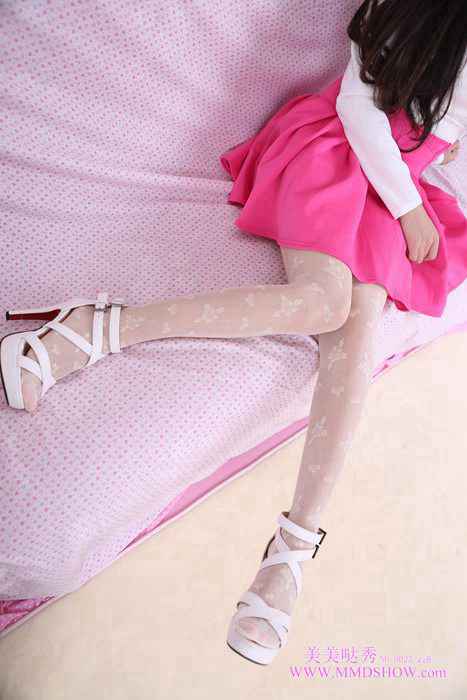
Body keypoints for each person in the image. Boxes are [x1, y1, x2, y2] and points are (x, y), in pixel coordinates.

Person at [0, 0, 466, 666]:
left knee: (358, 332)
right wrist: (411, 208)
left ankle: (291, 550)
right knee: (322, 304)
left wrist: (421, 183)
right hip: (339, 149)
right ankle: (98, 328)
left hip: (396, 184)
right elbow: (357, 108)